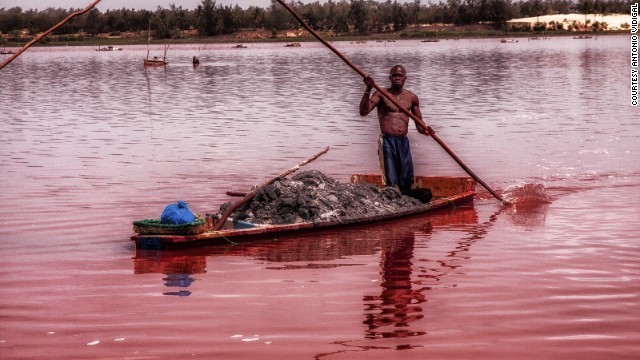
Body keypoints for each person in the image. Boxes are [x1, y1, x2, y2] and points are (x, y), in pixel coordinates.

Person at [359, 65, 434, 199]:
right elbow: (363, 112)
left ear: (405, 78)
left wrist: (427, 130)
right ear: (390, 78)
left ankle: (405, 198)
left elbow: (419, 125)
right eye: (395, 75)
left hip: (403, 142)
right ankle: (392, 196)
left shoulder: (412, 98)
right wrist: (367, 90)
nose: (397, 78)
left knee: (406, 177)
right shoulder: (381, 94)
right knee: (391, 178)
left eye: (400, 76)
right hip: (388, 141)